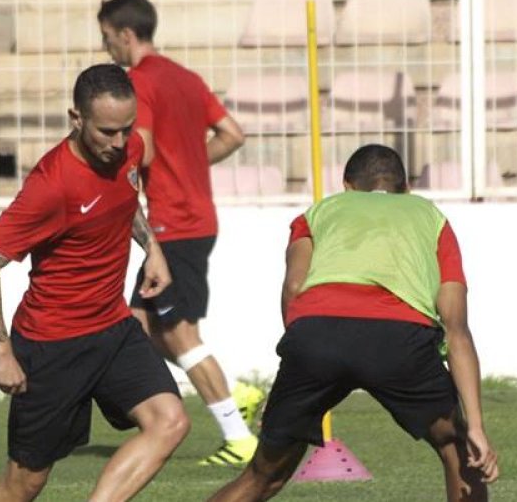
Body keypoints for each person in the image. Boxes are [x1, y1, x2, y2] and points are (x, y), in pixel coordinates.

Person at [209, 144, 501, 502]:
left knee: (263, 476)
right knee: (458, 447)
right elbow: (457, 329)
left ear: (347, 186)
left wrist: (297, 368)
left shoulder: (320, 211)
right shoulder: (431, 217)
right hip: (398, 339)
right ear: (406, 189)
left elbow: (294, 287)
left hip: (316, 337)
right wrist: (476, 426)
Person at [0, 64, 190, 502]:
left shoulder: (128, 149)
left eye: (126, 129)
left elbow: (125, 198)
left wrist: (152, 248)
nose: (120, 142)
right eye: (107, 131)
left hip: (113, 330)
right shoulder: (51, 186)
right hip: (52, 345)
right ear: (77, 118)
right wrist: (2, 353)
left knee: (170, 420)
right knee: (26, 480)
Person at [97, 0, 265, 467]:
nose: (107, 48)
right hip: (197, 219)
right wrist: (190, 162)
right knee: (136, 327)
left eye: (107, 39)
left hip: (173, 225)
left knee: (180, 332)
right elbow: (232, 133)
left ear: (126, 35)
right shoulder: (187, 78)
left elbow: (143, 150)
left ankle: (240, 437)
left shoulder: (141, 83)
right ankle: (232, 392)